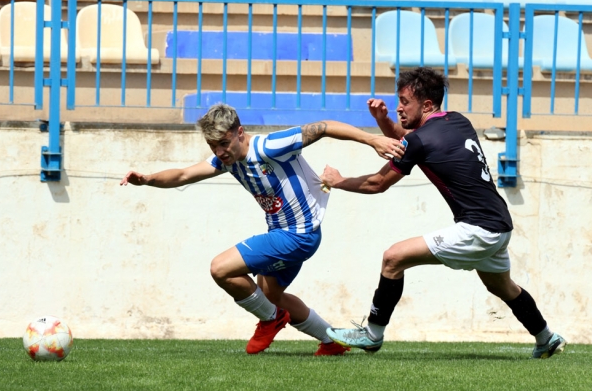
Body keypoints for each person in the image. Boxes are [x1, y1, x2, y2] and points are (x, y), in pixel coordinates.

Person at [120, 103, 405, 355]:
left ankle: (271, 320)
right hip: (289, 235)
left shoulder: (268, 147)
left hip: (297, 235)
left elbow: (324, 127)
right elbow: (183, 174)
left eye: (223, 143)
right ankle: (331, 341)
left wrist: (372, 139)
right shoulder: (226, 161)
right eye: (213, 146)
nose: (220, 152)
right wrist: (147, 179)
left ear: (239, 132)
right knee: (270, 296)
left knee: (221, 268)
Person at [321, 67, 566, 359]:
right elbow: (408, 142)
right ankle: (546, 337)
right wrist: (382, 120)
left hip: (478, 229)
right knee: (502, 286)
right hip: (500, 226)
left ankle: (372, 334)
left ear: (426, 105)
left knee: (393, 258)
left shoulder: (420, 140)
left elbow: (378, 183)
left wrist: (337, 181)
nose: (399, 106)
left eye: (404, 101)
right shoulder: (457, 121)